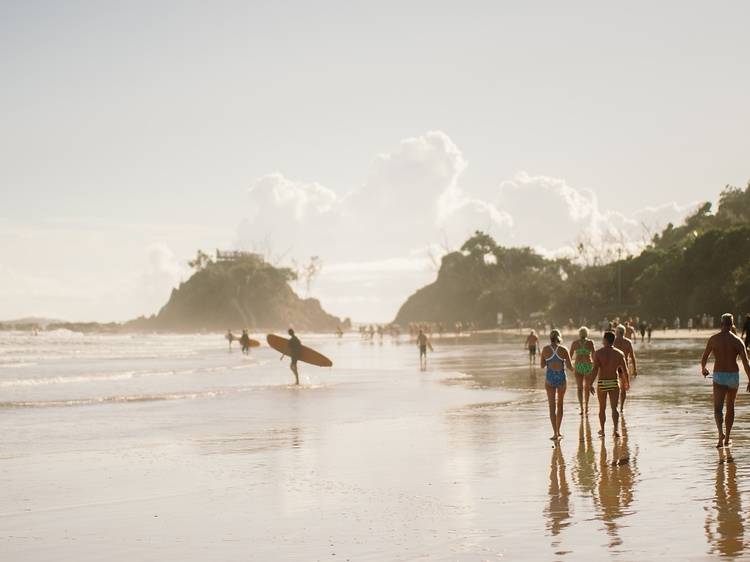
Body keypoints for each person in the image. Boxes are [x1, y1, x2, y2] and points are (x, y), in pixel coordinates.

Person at [700, 313, 750, 448]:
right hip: (733, 376)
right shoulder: (738, 341)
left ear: (721, 324)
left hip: (719, 376)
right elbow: (746, 363)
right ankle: (727, 437)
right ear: (732, 324)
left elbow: (704, 358)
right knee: (730, 407)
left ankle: (720, 436)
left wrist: (704, 369)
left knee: (717, 408)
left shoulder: (714, 339)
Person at [590, 331, 630, 437]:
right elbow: (625, 371)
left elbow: (594, 369)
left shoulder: (598, 353)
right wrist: (626, 383)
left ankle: (602, 430)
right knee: (614, 408)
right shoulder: (619, 353)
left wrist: (590, 383)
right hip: (613, 382)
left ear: (605, 340)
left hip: (602, 383)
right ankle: (616, 430)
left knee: (602, 408)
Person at [540, 329, 573, 441]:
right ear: (559, 337)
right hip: (561, 377)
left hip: (550, 378)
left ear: (550, 337)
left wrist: (548, 360)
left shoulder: (545, 349)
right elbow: (569, 367)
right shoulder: (564, 349)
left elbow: (542, 365)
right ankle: (559, 431)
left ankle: (554, 433)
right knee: (560, 405)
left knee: (552, 406)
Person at [570, 327, 596, 415]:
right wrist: (596, 366)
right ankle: (586, 407)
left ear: (579, 334)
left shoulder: (575, 343)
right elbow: (594, 355)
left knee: (579, 388)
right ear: (587, 334)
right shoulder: (590, 342)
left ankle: (581, 408)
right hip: (588, 366)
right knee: (587, 387)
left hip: (578, 366)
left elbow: (569, 356)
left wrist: (570, 367)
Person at [614, 324, 637, 412]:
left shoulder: (613, 341)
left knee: (616, 387)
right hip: (624, 367)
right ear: (624, 332)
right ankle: (621, 408)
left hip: (614, 367)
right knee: (623, 388)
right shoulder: (628, 342)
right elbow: (632, 356)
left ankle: (615, 405)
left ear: (617, 332)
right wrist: (635, 369)